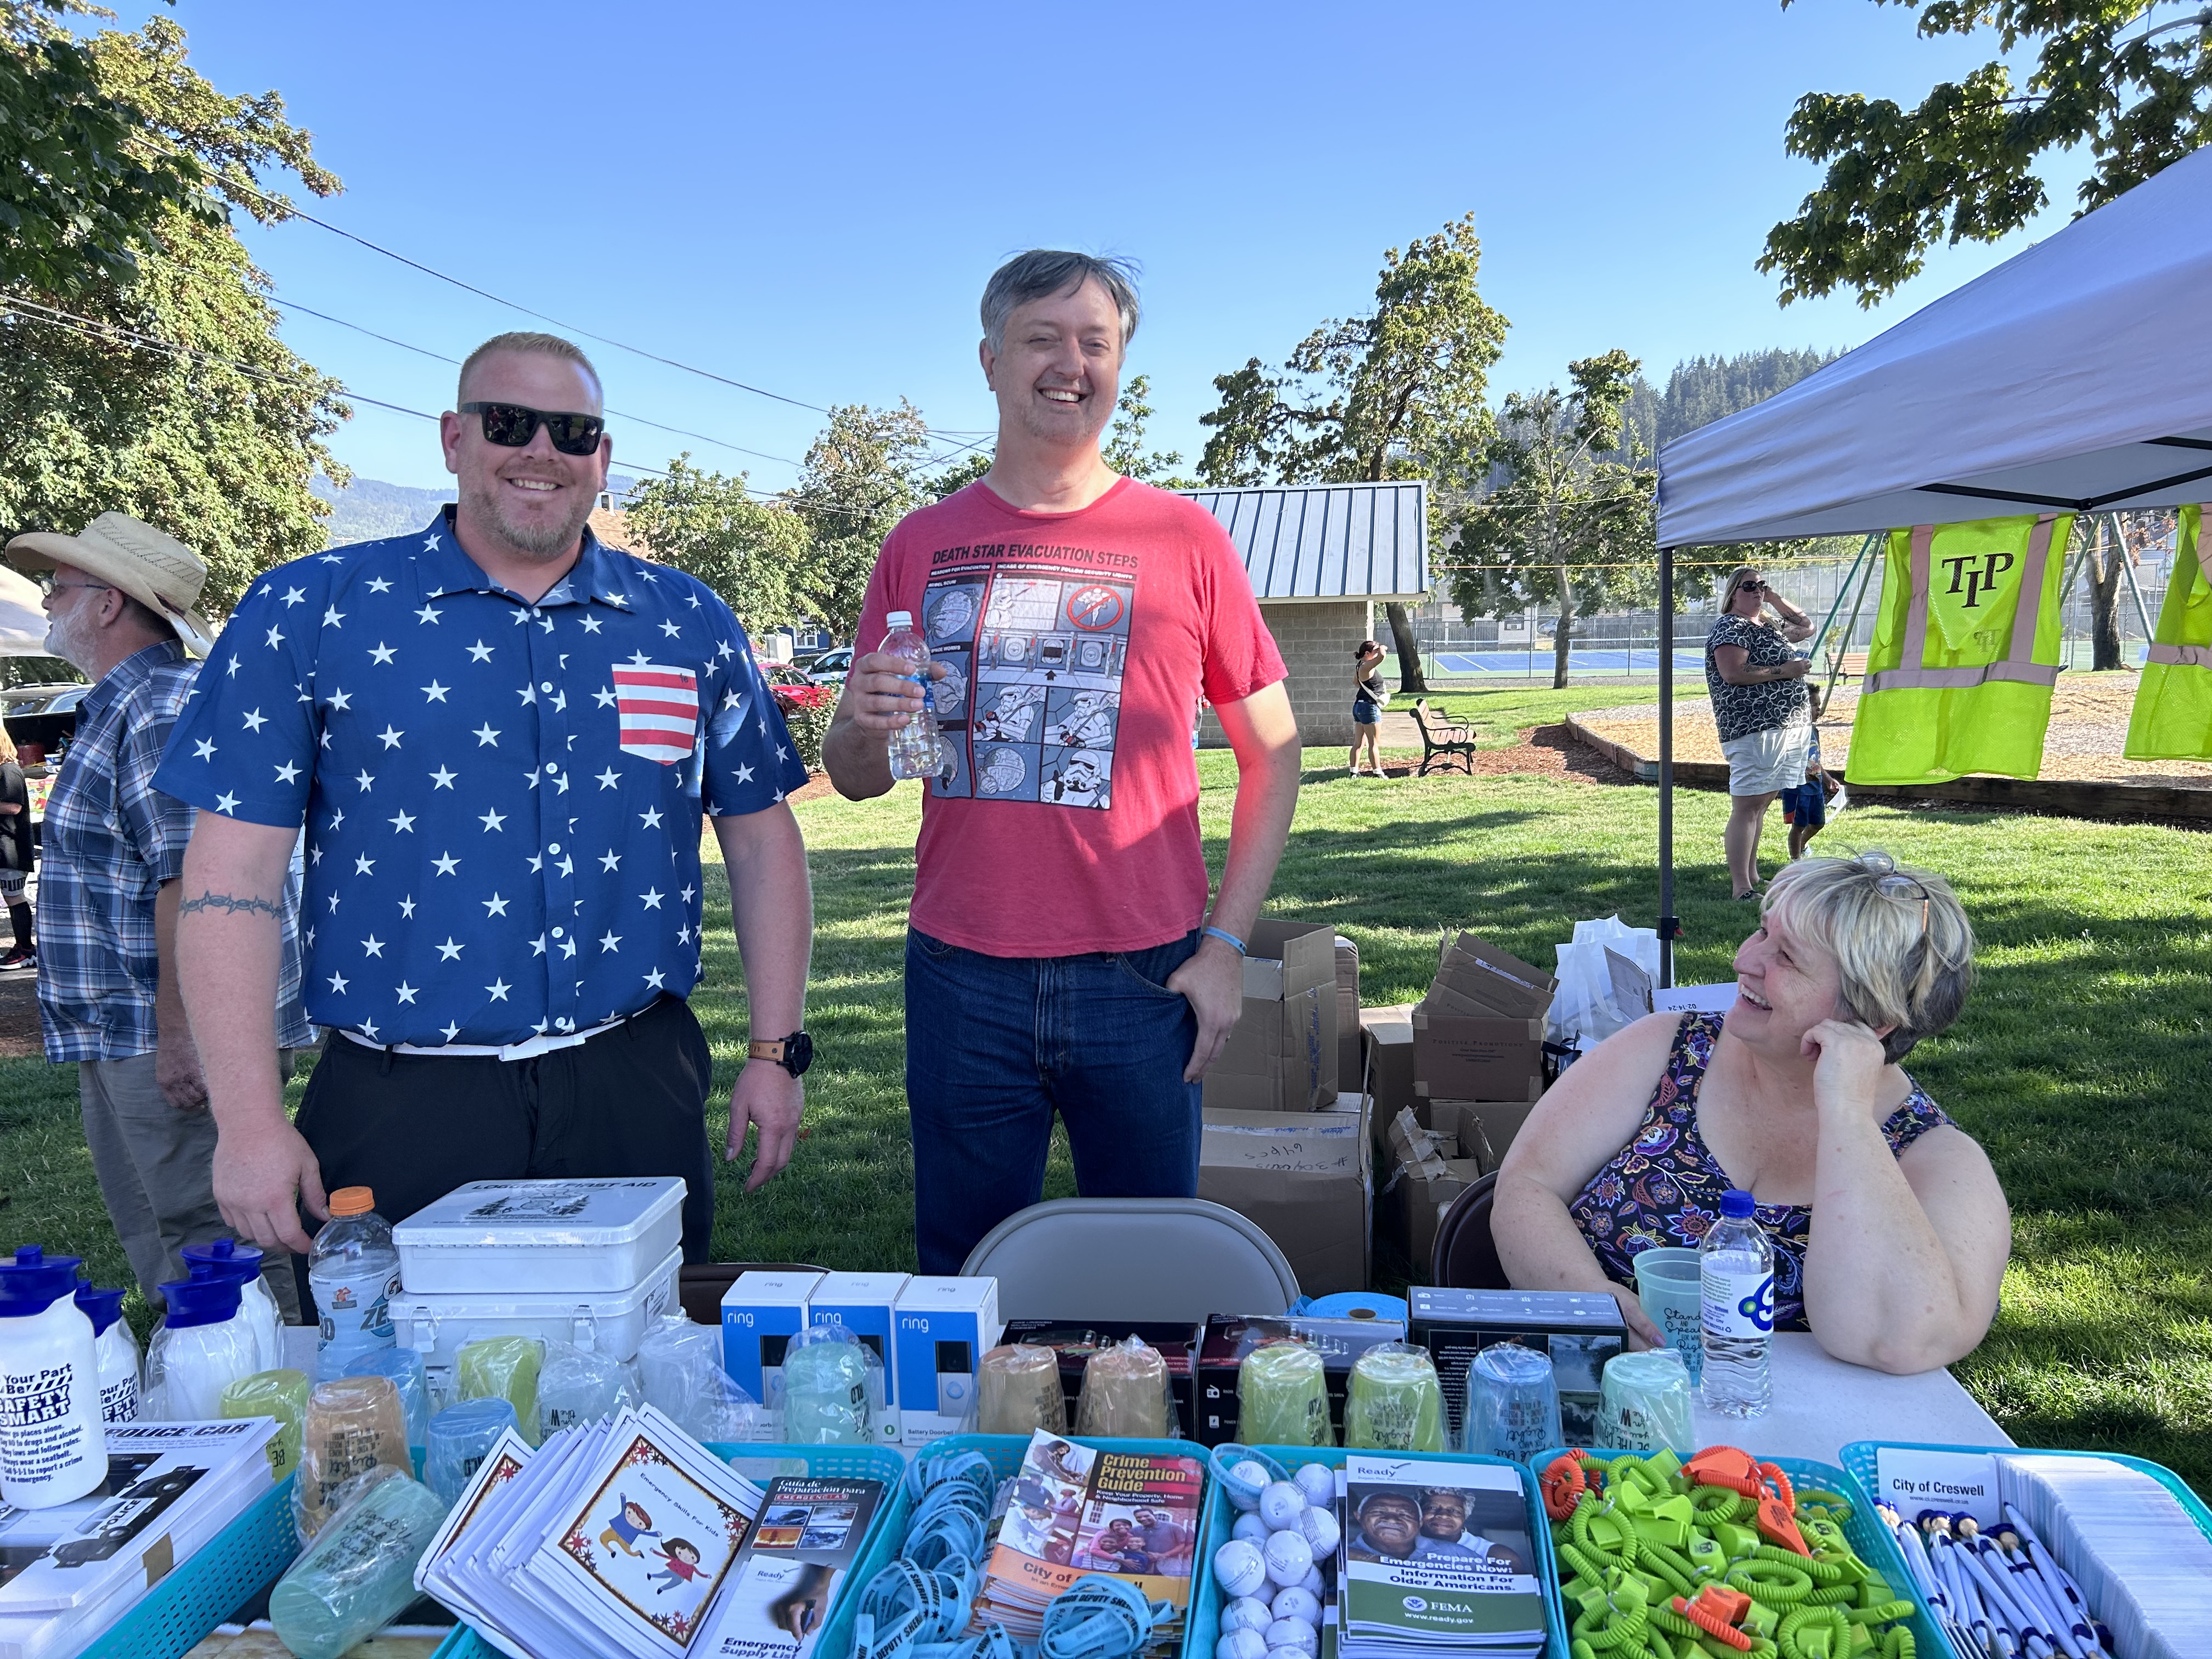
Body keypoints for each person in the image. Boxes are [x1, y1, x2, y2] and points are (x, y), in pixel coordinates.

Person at [154, 332, 814, 1262]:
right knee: (393, 1389)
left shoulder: (686, 620)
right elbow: (232, 881)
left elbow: (758, 836)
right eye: (508, 422)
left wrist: (774, 1049)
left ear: (603, 459)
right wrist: (251, 1121)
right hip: (401, 1098)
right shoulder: (311, 609)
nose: (540, 450)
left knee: (643, 1375)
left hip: (634, 1080)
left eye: (573, 430)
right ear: (453, 438)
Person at [822, 252, 1301, 1274]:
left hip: (1145, 976)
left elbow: (1275, 755)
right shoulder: (919, 542)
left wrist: (1226, 944)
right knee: (961, 1283)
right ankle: (972, 1442)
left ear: (1121, 363)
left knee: (1151, 1284)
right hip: (961, 971)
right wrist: (857, 724)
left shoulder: (1186, 538)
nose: (1069, 363)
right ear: (992, 360)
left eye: (1096, 341)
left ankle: (1139, 1444)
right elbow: (860, 774)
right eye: (1043, 338)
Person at [1493, 851, 2010, 1375]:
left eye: (1787, 957)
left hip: (1783, 1446)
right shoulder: (1667, 1048)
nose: (1745, 960)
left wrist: (1848, 1115)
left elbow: (1896, 1343)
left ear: (1871, 1016)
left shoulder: (1936, 1158)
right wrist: (1591, 1304)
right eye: (1762, 933)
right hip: (1582, 1397)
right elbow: (1526, 1185)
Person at [1, 514, 310, 1315]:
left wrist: (187, 1035)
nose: (47, 602)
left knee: (217, 1236)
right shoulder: (123, 702)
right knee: (163, 1238)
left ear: (108, 606)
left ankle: (272, 1409)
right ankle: (211, 1400)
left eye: (59, 587)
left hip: (162, 1031)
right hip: (123, 1029)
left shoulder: (164, 702)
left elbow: (194, 885)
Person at [1706, 566, 1814, 900]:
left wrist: (1775, 598)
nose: (1756, 591)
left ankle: (1752, 878)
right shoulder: (1731, 626)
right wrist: (1787, 671)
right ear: (1733, 594)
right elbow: (1733, 673)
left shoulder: (1767, 625)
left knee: (1761, 803)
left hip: (1783, 726)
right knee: (1748, 805)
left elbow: (1805, 627)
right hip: (1754, 728)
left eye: (1761, 585)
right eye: (1749, 586)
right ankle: (1741, 888)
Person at [1415, 1487, 1530, 1573]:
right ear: (1419, 1512)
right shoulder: (1401, 1543)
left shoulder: (1496, 1554)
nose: (1444, 1515)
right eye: (1432, 1508)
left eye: (1454, 1511)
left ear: (1466, 1517)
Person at [0, 720, 32, 971]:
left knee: (14, 898)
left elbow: (13, 806)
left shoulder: (8, 770)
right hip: (3, 848)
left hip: (10, 849)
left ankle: (26, 948)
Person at [1781, 726, 1831, 861]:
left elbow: (1816, 762)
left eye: (1819, 705)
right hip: (1798, 789)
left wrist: (1828, 780)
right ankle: (1796, 860)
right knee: (1798, 826)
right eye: (1814, 705)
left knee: (1818, 823)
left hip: (1816, 788)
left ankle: (1802, 844)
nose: (1818, 709)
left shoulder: (1814, 731)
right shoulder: (1791, 732)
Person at [1349, 640, 1388, 776]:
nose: (1377, 653)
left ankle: (1353, 772)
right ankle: (1378, 772)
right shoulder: (1366, 667)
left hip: (1359, 705)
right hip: (1369, 707)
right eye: (1375, 651)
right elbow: (1382, 657)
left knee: (1358, 743)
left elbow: (1356, 682)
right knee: (1374, 743)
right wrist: (1382, 648)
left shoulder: (1360, 666)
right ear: (1367, 653)